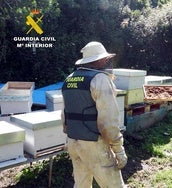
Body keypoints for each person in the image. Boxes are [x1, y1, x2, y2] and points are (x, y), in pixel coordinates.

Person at [61, 41, 127, 188]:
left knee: (81, 185)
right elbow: (108, 121)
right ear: (96, 60)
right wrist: (118, 149)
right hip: (94, 144)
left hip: (74, 142)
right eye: (104, 58)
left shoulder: (69, 79)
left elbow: (65, 115)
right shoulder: (100, 79)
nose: (106, 61)